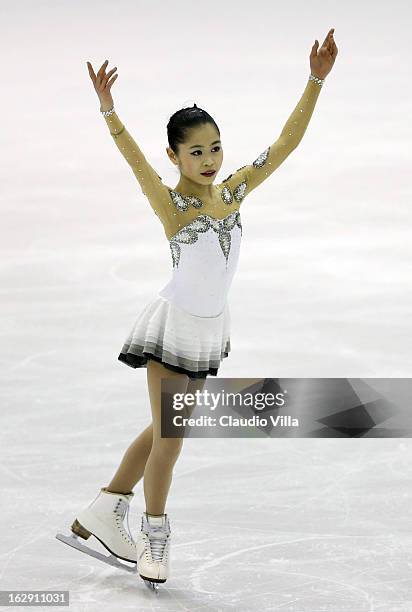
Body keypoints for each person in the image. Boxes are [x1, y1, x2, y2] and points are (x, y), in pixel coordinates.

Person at [69, 29, 338, 587]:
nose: (210, 159)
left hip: (208, 331)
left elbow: (284, 145)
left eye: (215, 147)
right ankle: (156, 534)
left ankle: (107, 505)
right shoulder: (174, 207)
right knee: (172, 438)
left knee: (165, 427)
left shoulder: (235, 191)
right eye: (196, 151)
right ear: (176, 155)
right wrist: (109, 112)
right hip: (172, 330)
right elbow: (134, 160)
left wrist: (315, 81)